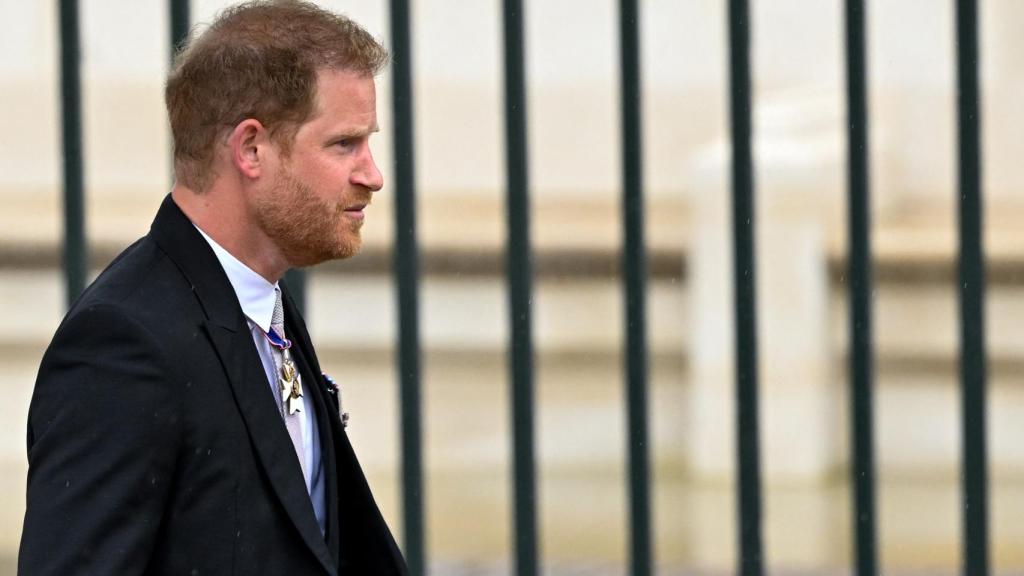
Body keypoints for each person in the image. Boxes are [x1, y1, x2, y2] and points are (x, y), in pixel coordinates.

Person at [18, 2, 407, 574]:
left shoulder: (262, 302)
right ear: (251, 149)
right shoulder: (124, 344)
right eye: (344, 144)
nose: (372, 174)